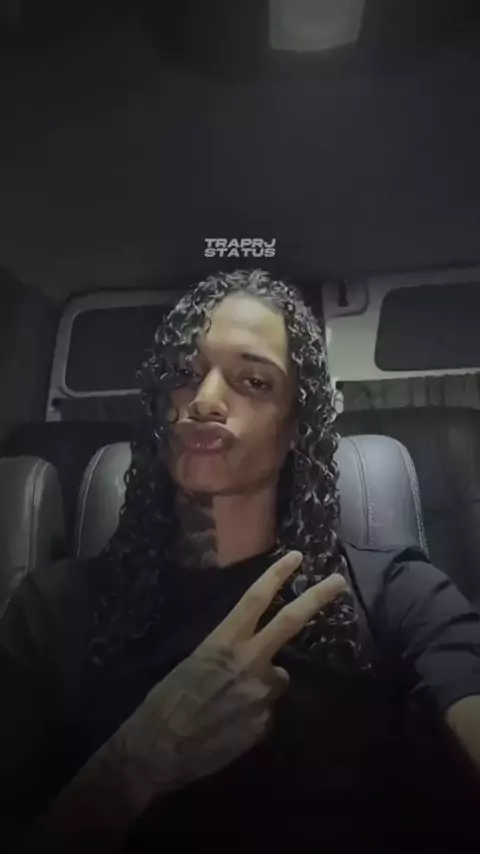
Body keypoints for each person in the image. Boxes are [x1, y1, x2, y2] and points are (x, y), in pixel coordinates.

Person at [1, 269, 480, 854]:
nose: (204, 400)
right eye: (184, 374)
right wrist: (132, 764)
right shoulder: (53, 612)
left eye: (254, 381)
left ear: (296, 426)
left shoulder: (391, 592)